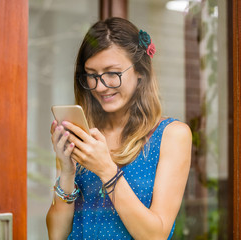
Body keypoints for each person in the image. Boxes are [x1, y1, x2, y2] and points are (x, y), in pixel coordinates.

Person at [46, 17, 192, 240]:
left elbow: (156, 236)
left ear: (140, 71)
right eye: (92, 75)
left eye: (112, 73)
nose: (100, 86)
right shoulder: (85, 135)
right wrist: (67, 171)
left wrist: (106, 169)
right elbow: (56, 235)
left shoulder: (172, 135)